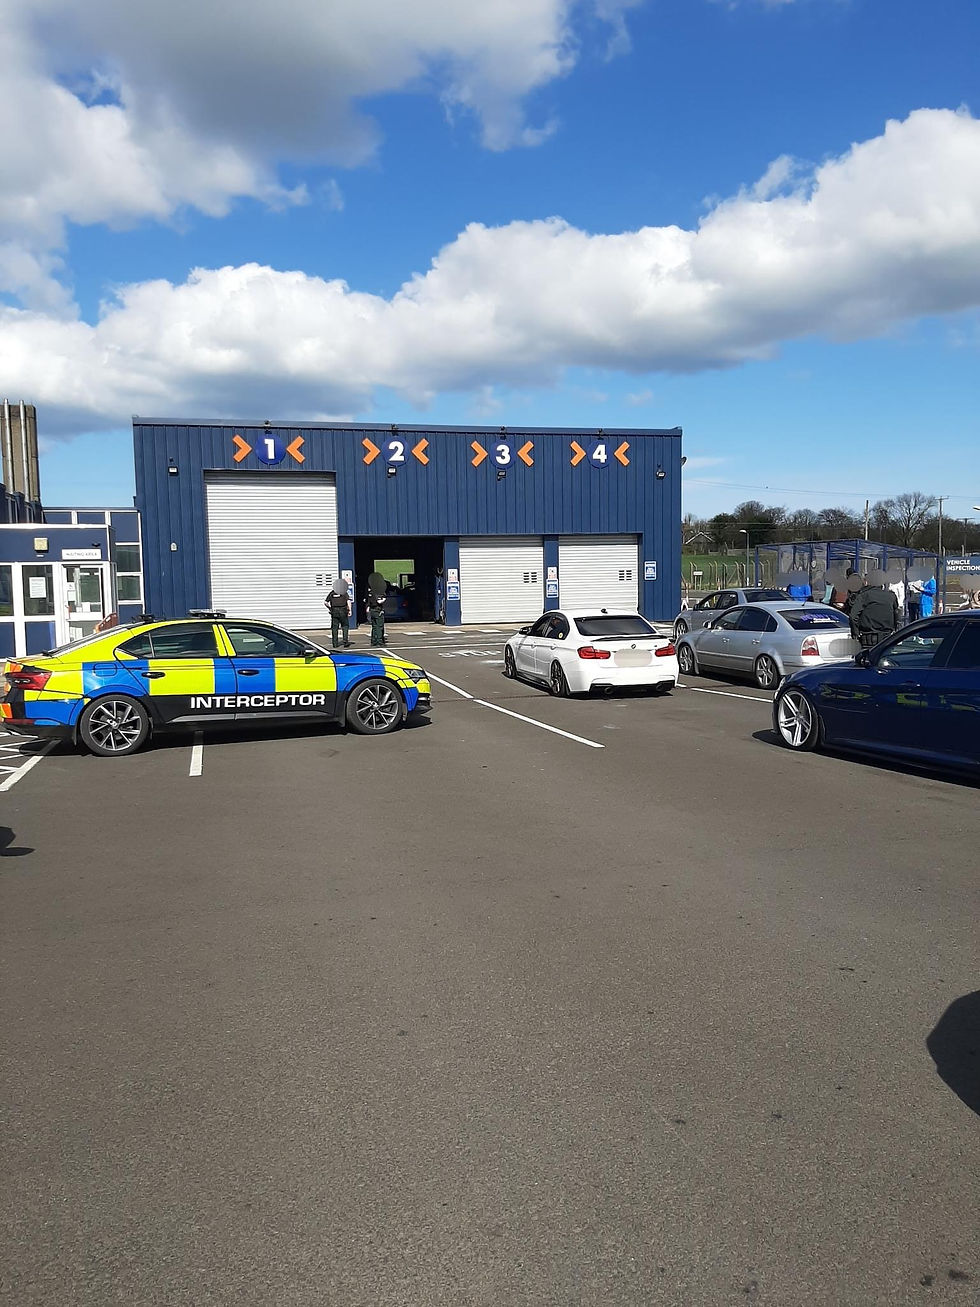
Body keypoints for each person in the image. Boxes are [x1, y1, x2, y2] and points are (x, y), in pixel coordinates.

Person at [849, 570, 899, 650]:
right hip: (887, 638)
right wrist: (896, 630)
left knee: (866, 661)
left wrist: (855, 633)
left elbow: (853, 616)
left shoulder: (864, 596)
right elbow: (896, 614)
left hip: (868, 639)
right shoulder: (891, 596)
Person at [325, 576, 351, 649]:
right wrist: (350, 610)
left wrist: (330, 608)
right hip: (343, 611)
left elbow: (325, 602)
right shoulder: (344, 593)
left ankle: (335, 643)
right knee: (345, 626)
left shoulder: (332, 593)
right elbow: (348, 601)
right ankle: (345, 642)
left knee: (334, 628)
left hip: (334, 611)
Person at [366, 569, 388, 647]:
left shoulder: (370, 592)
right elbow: (379, 601)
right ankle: (379, 641)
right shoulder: (378, 591)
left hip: (372, 610)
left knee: (374, 626)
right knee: (379, 626)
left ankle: (373, 641)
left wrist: (368, 609)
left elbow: (368, 602)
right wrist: (384, 599)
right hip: (378, 609)